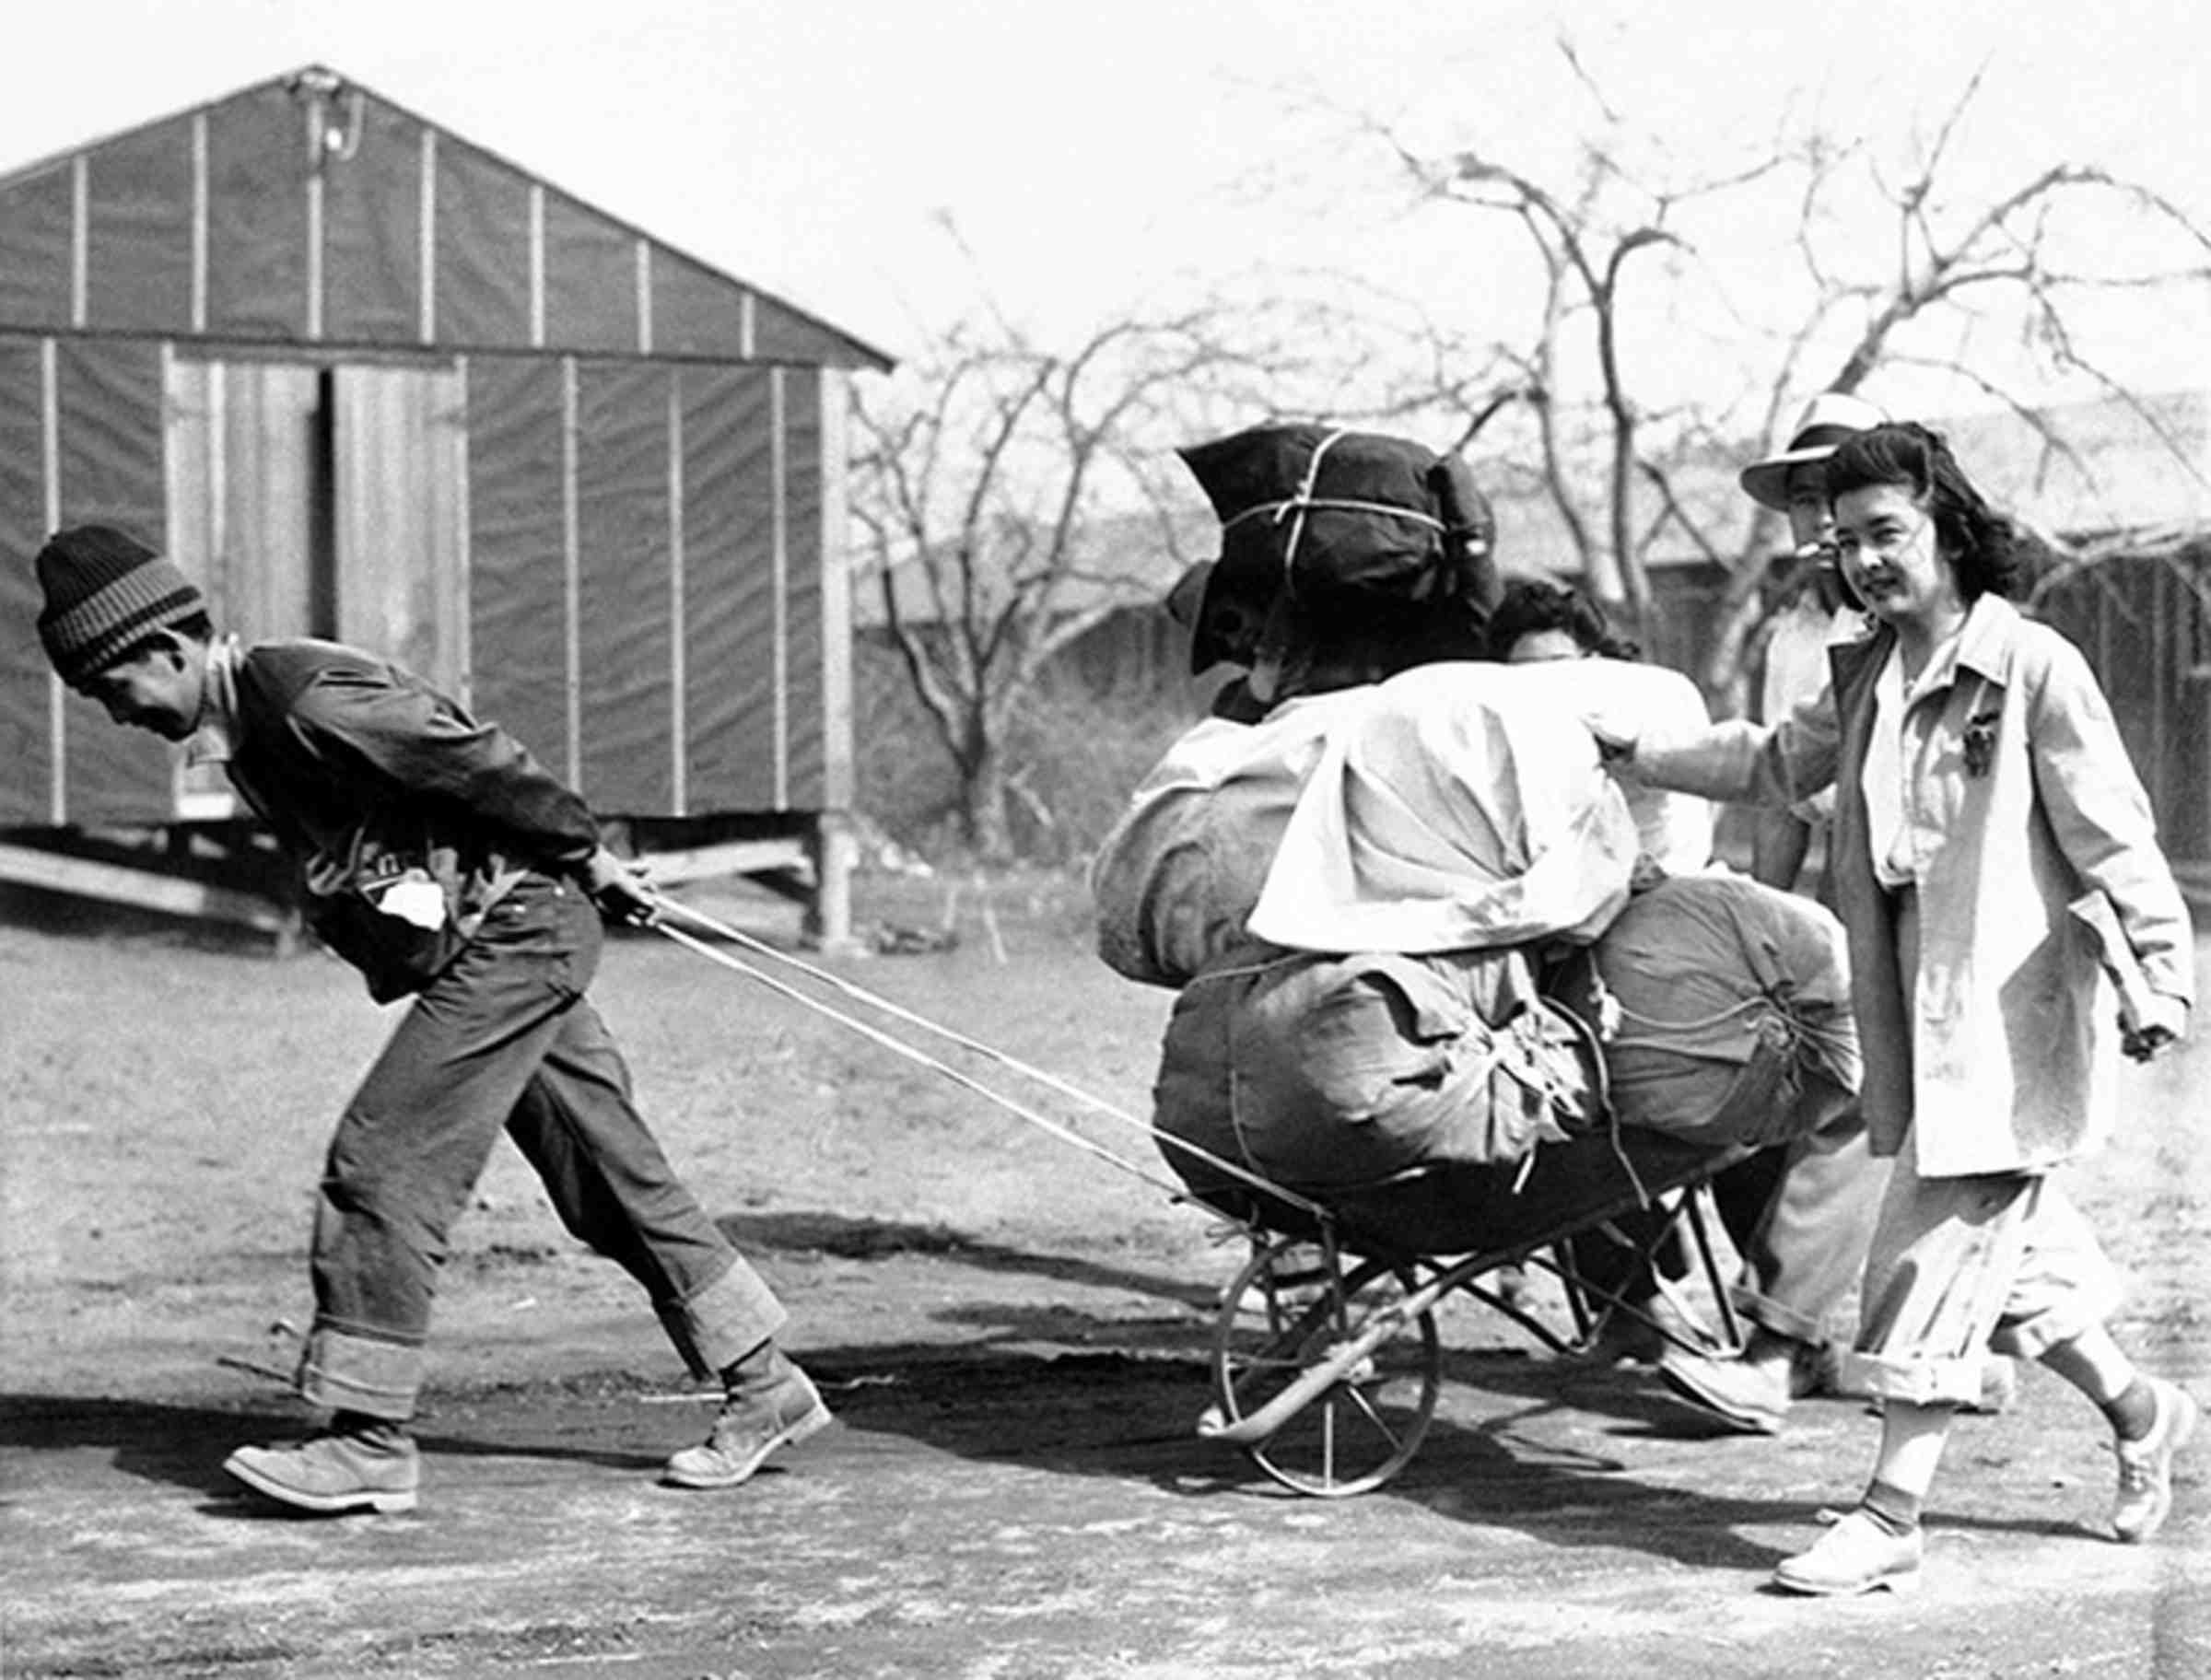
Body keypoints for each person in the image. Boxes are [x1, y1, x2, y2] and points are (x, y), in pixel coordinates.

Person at [31, 525, 830, 1515]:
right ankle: (765, 1385)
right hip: (502, 937)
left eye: (113, 690)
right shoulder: (256, 735)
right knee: (605, 1175)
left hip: (517, 931)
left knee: (385, 1156)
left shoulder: (302, 695)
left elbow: (475, 759)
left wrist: (586, 856)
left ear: (163, 649)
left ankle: (367, 1438)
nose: (116, 714)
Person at [1595, 423, 2197, 1594]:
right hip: (1907, 997)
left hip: (2009, 1006)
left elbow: (2115, 837)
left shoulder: (2031, 668)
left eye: (1888, 534)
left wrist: (2161, 975)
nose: (1865, 559)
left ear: (1949, 532)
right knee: (2011, 1264)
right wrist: (1643, 754)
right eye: (1847, 541)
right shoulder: (1866, 671)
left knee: (1925, 1243)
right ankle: (2146, 1410)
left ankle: (1891, 1513)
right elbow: (1775, 761)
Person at [1490, 579, 1877, 1406]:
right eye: (1526, 672)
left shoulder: (1647, 713)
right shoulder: (1501, 744)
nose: (1547, 688)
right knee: (1572, 1115)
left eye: (1563, 667)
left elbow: (1705, 820)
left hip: (1665, 935)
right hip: (1558, 942)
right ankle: (1634, 1305)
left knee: (1738, 1112)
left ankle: (1792, 1334)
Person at [1737, 391, 1887, 897]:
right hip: (1842, 872)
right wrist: (1766, 921)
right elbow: (1783, 798)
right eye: (1805, 500)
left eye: (1834, 497)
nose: (1822, 518)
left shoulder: (1897, 625)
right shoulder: (1791, 636)